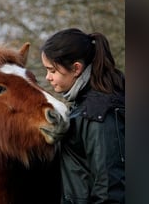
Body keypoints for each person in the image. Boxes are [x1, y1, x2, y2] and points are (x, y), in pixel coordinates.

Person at [41, 28, 125, 204]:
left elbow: (110, 188)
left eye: (52, 70)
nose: (47, 77)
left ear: (76, 68)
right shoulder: (84, 105)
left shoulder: (99, 113)